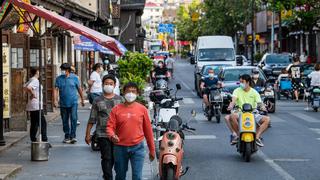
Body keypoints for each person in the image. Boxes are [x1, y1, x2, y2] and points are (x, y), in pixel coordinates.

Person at [107, 82, 155, 180]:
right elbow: (110, 127)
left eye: (133, 91)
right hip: (120, 148)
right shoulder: (116, 109)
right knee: (120, 176)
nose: (130, 94)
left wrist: (152, 150)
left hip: (138, 148)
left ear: (137, 94)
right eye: (128, 91)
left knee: (137, 176)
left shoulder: (142, 109)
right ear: (123, 93)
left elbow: (148, 131)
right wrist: (112, 135)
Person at [85, 74, 122, 180]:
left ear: (114, 85)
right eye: (106, 83)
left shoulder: (120, 100)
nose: (108, 85)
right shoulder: (97, 100)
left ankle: (107, 174)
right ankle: (108, 177)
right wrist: (87, 134)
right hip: (102, 134)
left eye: (111, 84)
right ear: (102, 85)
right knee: (106, 157)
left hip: (117, 135)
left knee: (115, 158)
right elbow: (92, 118)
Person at [225, 74, 270, 147]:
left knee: (267, 119)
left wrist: (263, 107)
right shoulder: (237, 90)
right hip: (240, 112)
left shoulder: (254, 92)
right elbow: (233, 101)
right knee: (231, 116)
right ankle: (238, 135)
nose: (241, 84)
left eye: (242, 82)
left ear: (248, 82)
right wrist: (231, 106)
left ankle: (257, 137)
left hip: (253, 113)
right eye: (240, 82)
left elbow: (259, 103)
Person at [54, 63, 85, 143]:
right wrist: (55, 100)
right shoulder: (58, 79)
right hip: (63, 103)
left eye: (63, 70)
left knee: (74, 119)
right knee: (64, 120)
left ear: (67, 70)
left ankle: (73, 136)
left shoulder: (75, 78)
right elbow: (56, 89)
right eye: (62, 70)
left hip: (73, 102)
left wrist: (82, 99)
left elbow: (79, 89)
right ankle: (67, 136)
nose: (62, 72)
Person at [24, 68, 47, 142]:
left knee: (34, 123)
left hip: (32, 105)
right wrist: (33, 94)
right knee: (43, 123)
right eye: (39, 71)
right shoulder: (35, 80)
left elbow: (25, 87)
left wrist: (31, 94)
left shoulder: (31, 79)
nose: (40, 73)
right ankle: (44, 140)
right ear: (37, 72)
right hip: (37, 105)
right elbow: (28, 87)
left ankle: (33, 139)